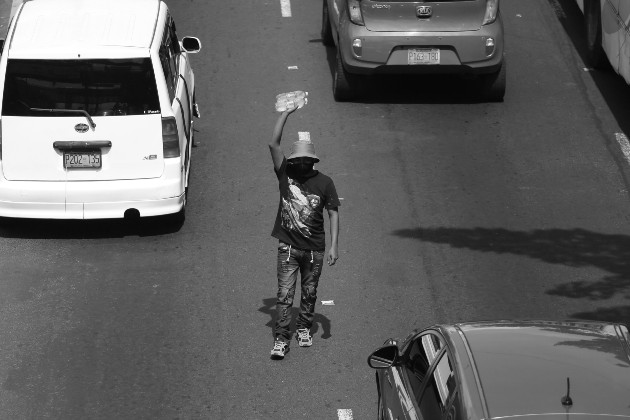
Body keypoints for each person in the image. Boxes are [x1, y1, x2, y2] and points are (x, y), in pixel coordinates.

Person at [268, 104, 340, 360]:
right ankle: (281, 338)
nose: (298, 163)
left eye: (303, 160)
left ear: (311, 161)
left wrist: (333, 246)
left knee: (309, 293)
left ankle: (303, 329)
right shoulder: (284, 173)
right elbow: (273, 144)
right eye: (296, 159)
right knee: (285, 296)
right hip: (287, 247)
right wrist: (285, 114)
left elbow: (333, 212)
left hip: (314, 251)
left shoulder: (325, 183)